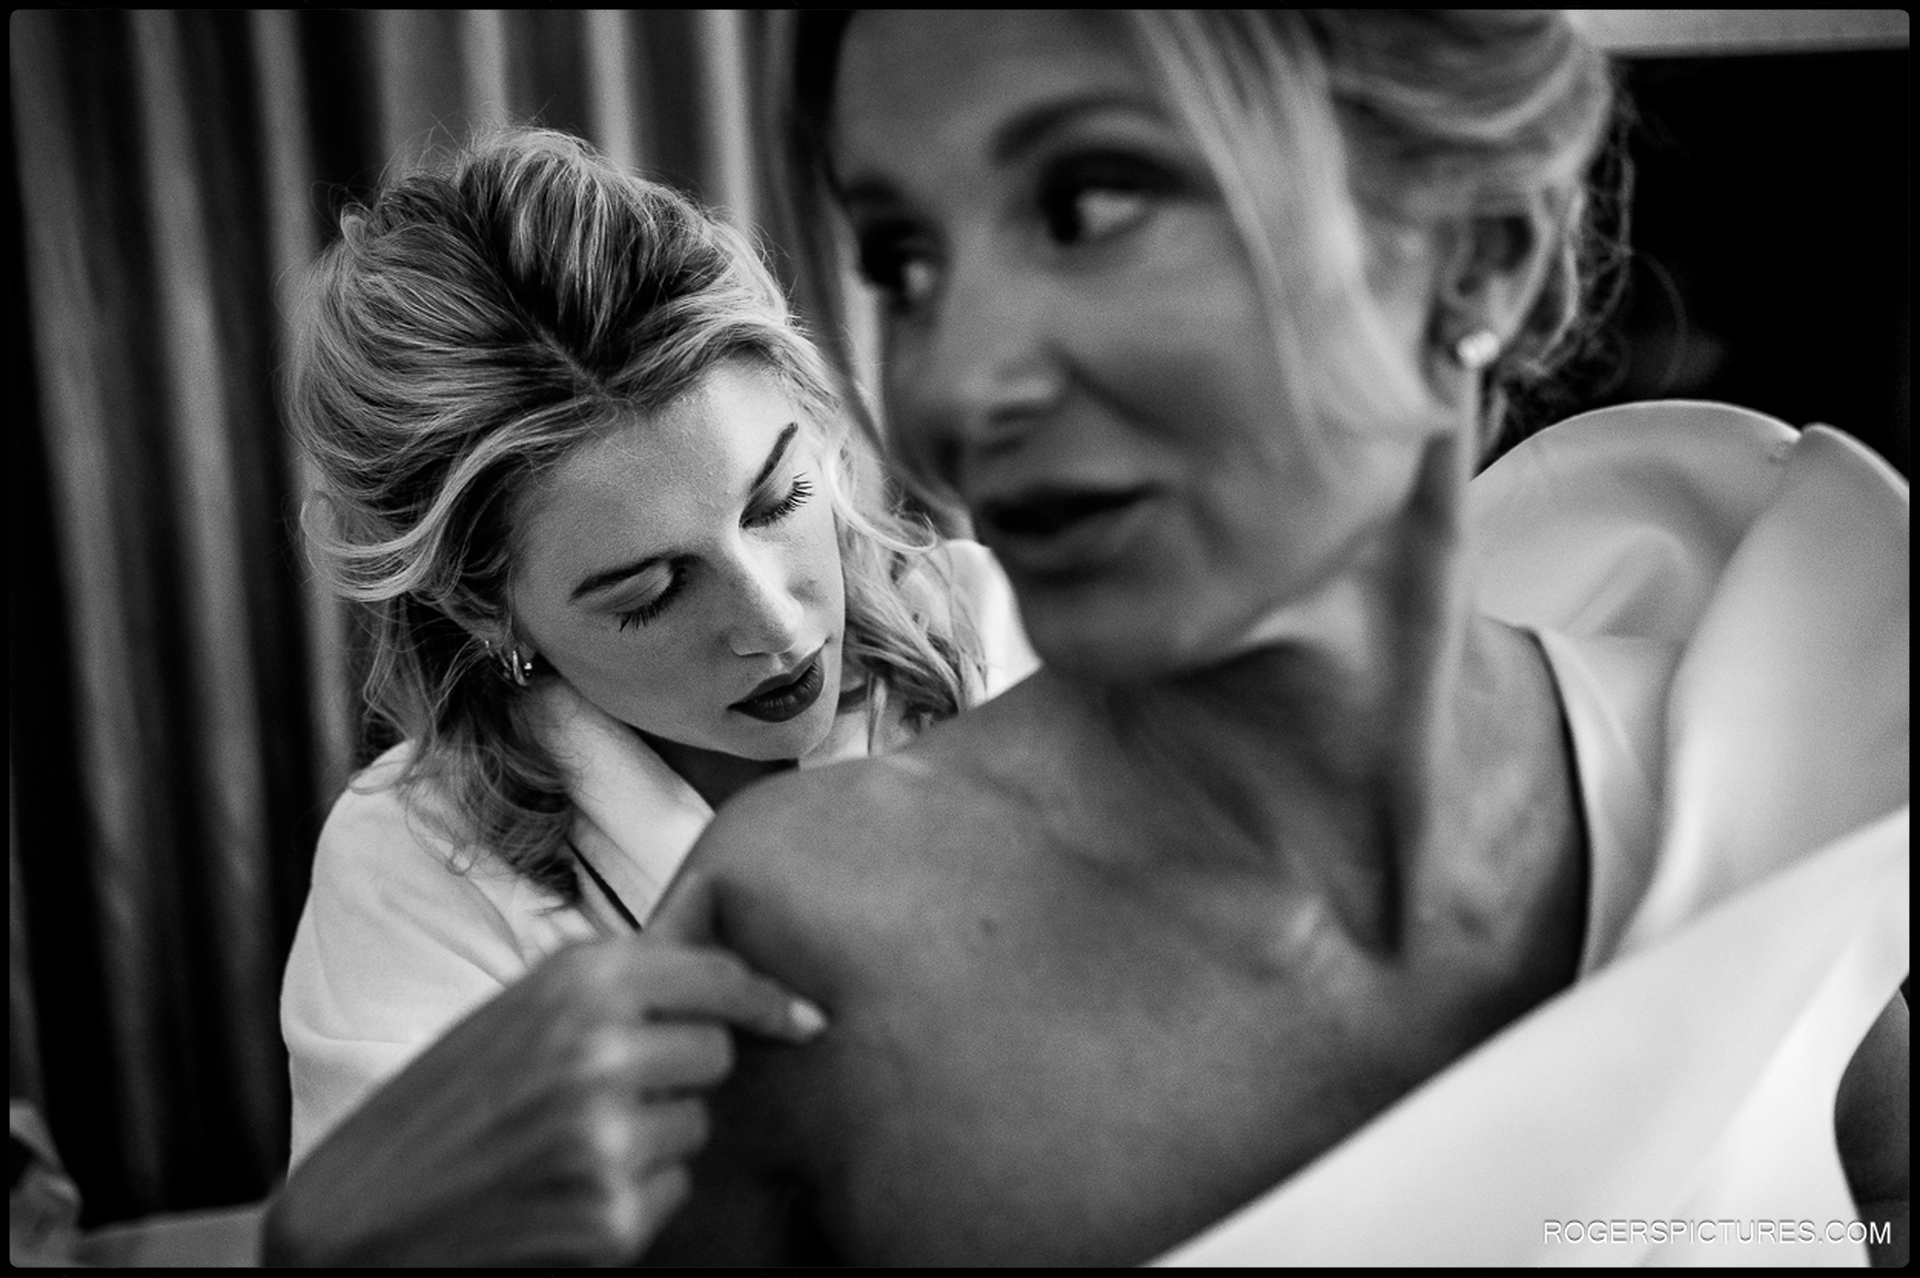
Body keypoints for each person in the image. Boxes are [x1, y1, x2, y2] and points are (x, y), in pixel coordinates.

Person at [622, 8, 1906, 1266]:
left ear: (1477, 258)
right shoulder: (803, 951)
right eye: (906, 262)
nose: (954, 390)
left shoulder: (1757, 784)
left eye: (1087, 210)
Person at [273, 125, 1037, 1244]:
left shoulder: (1024, 640)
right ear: (486, 610)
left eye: (778, 503)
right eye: (647, 594)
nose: (775, 624)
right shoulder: (412, 867)